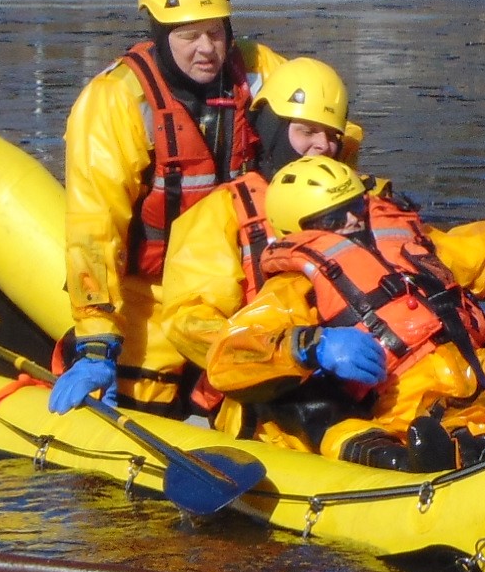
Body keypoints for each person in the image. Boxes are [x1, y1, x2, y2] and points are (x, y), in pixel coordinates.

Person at [201, 157, 485, 471]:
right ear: (300, 231)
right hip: (401, 409)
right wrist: (311, 345)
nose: (351, 223)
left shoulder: (414, 243)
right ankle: (407, 466)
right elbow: (229, 354)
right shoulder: (292, 287)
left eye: (354, 208)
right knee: (311, 405)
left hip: (484, 377)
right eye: (333, 220)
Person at [53, 0, 290, 415]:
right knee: (150, 399)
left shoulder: (262, 72)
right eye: (189, 35)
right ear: (159, 33)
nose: (207, 49)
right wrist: (97, 334)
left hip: (241, 290)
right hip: (153, 296)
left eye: (216, 32)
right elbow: (93, 225)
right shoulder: (116, 101)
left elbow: (327, 131)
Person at [134, 56, 357, 422]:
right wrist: (292, 349)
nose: (323, 146)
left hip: (359, 372)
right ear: (273, 129)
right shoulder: (223, 212)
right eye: (306, 131)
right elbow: (189, 320)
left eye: (332, 135)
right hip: (260, 392)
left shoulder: (359, 202)